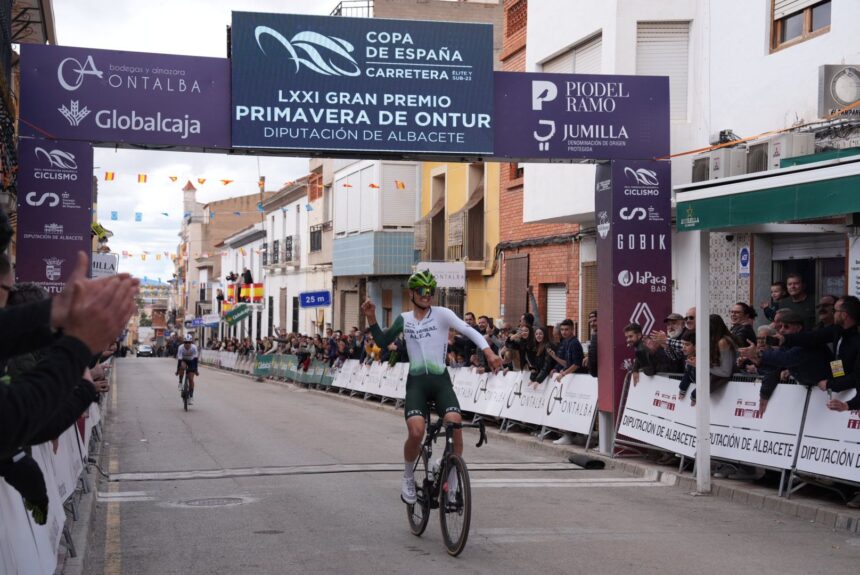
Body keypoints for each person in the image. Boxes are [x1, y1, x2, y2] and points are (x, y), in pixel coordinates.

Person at [361, 270, 501, 505]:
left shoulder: (442, 314)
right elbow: (383, 342)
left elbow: (469, 330)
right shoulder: (404, 319)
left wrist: (488, 352)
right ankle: (408, 476)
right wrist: (371, 318)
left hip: (440, 382)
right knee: (417, 432)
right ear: (412, 293)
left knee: (455, 424)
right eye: (422, 291)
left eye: (430, 291)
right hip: (417, 384)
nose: (426, 295)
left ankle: (451, 481)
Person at [176, 334, 199, 404]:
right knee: (182, 367)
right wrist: (178, 370)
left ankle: (191, 396)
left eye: (189, 342)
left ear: (191, 342)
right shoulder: (180, 347)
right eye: (186, 342)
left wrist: (196, 370)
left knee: (191, 379)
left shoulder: (194, 348)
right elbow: (179, 360)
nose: (187, 344)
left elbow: (196, 360)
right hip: (184, 360)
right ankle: (180, 382)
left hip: (191, 361)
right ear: (184, 342)